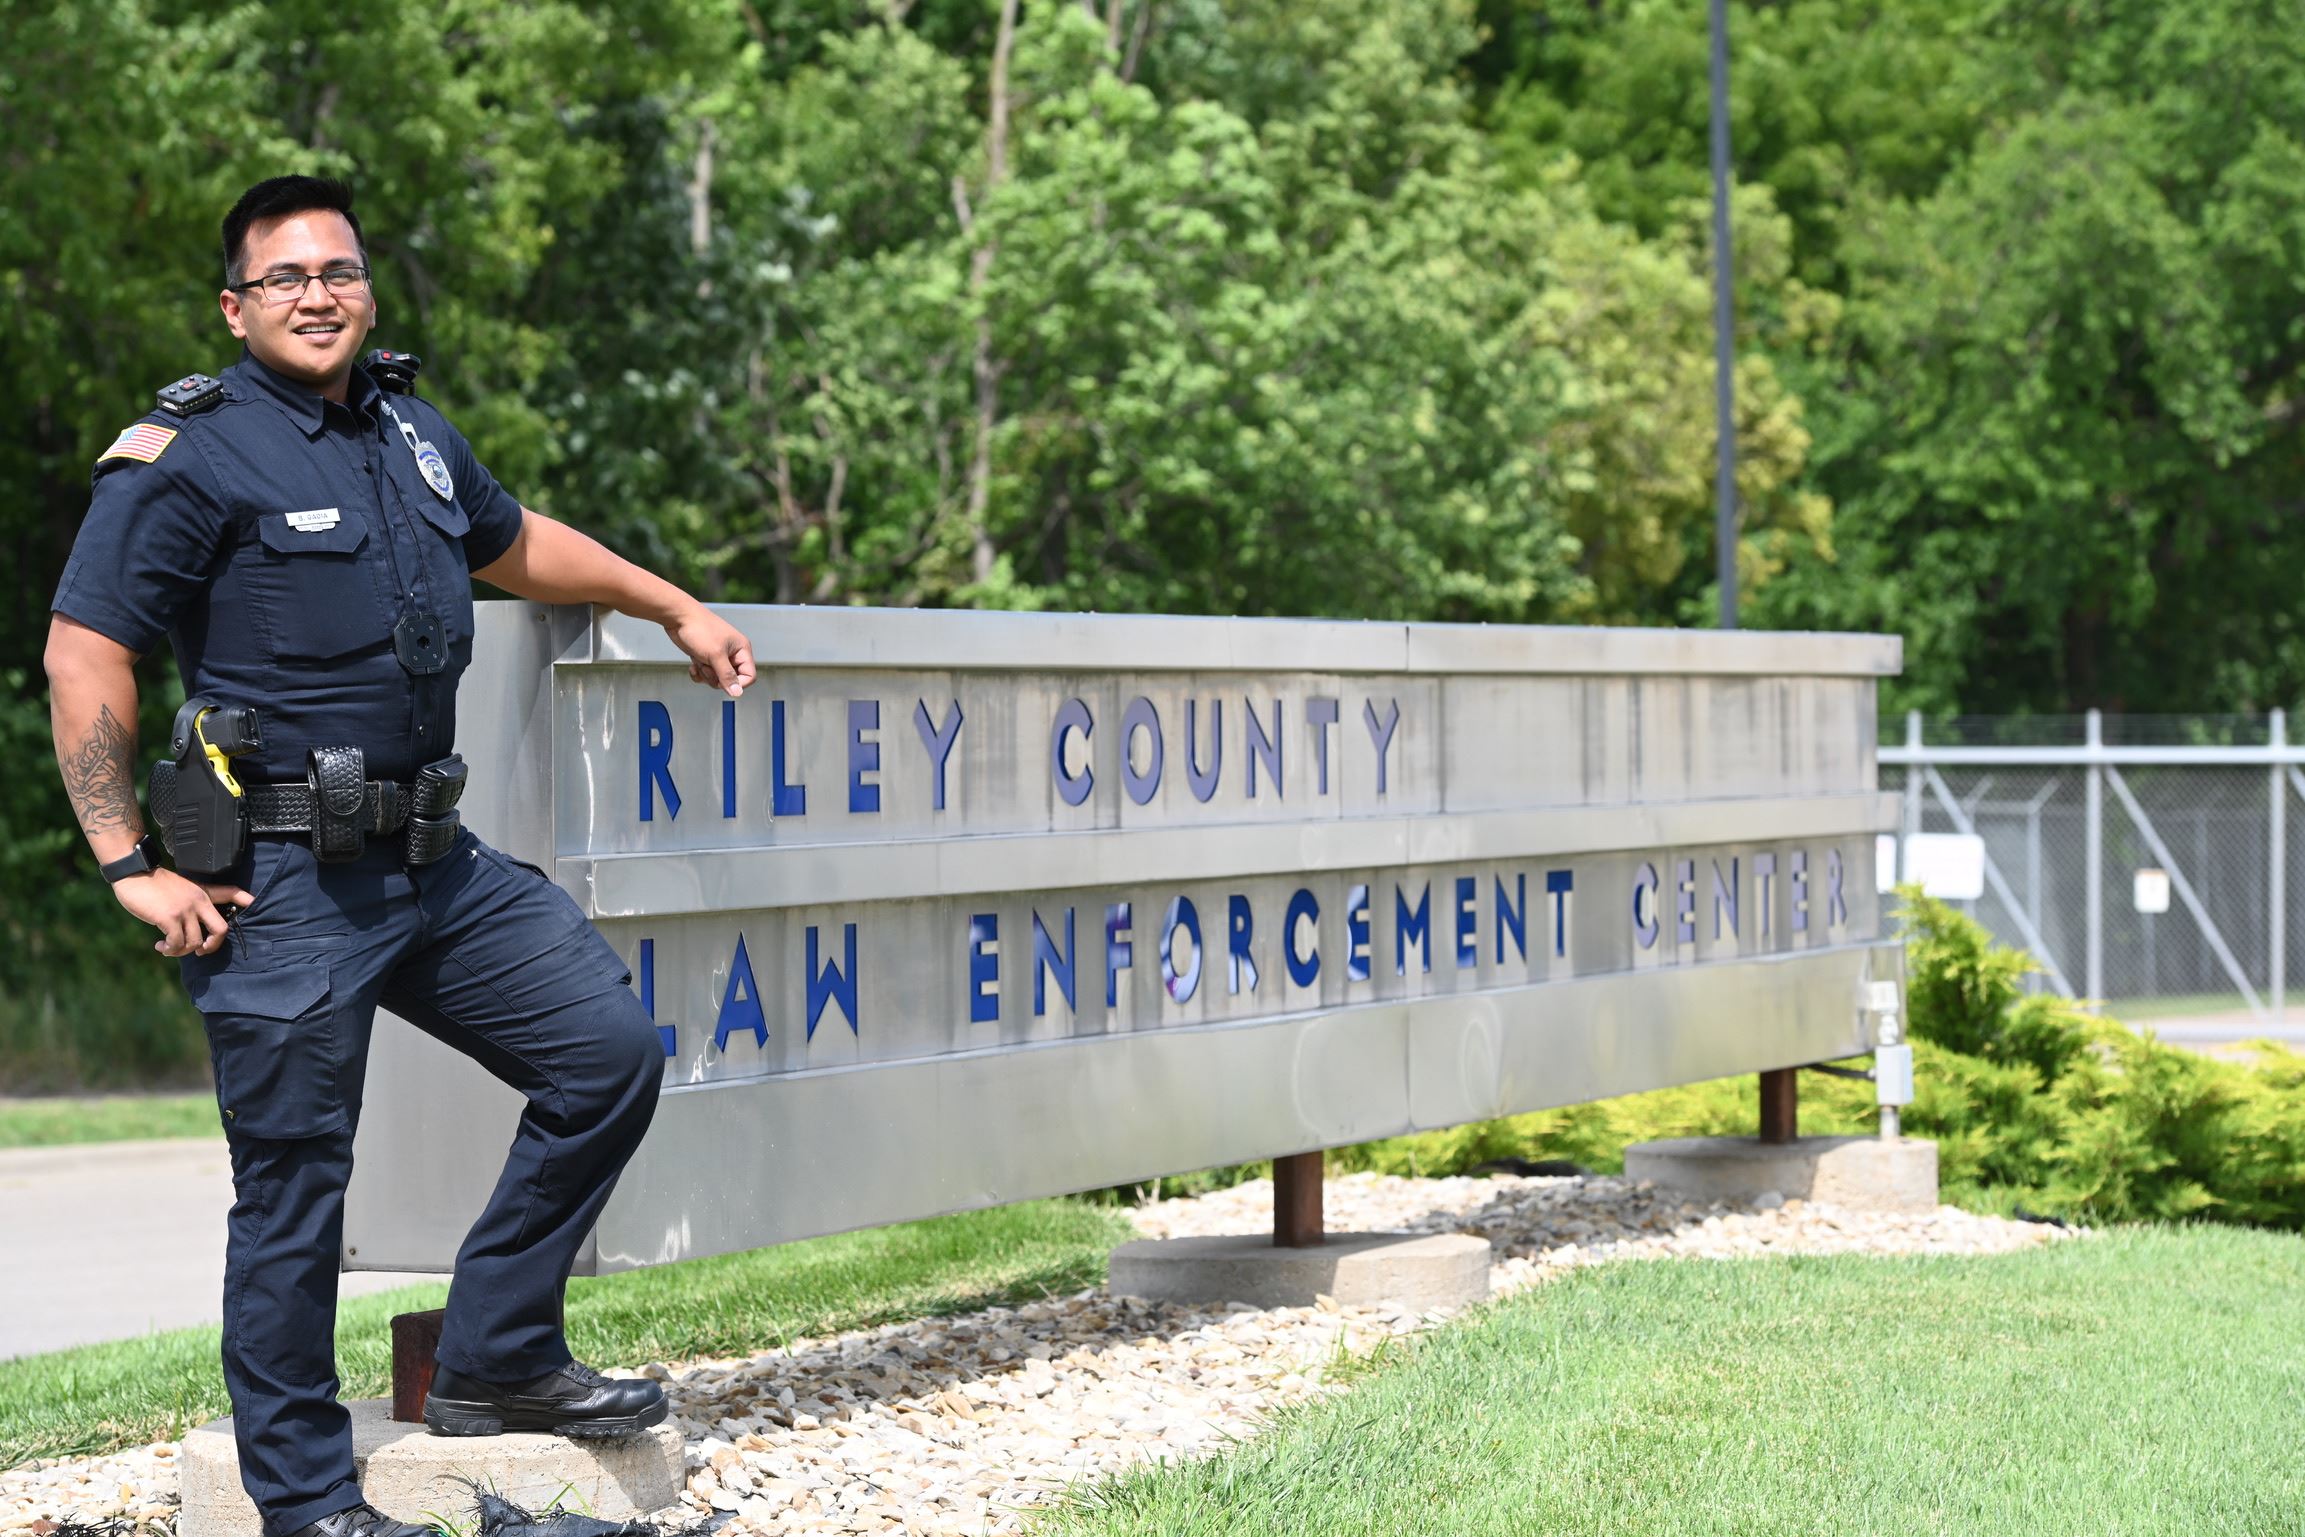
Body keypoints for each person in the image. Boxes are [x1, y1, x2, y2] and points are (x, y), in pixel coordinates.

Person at [43, 175, 755, 1537]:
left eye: (342, 270)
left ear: (368, 289)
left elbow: (516, 543)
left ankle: (495, 1352)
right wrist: (127, 856)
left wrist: (670, 602)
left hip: (433, 864)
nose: (319, 294)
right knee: (298, 1184)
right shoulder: (189, 453)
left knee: (605, 1053)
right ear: (235, 306)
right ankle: (307, 1502)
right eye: (285, 277)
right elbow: (87, 650)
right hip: (280, 876)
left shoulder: (408, 430)